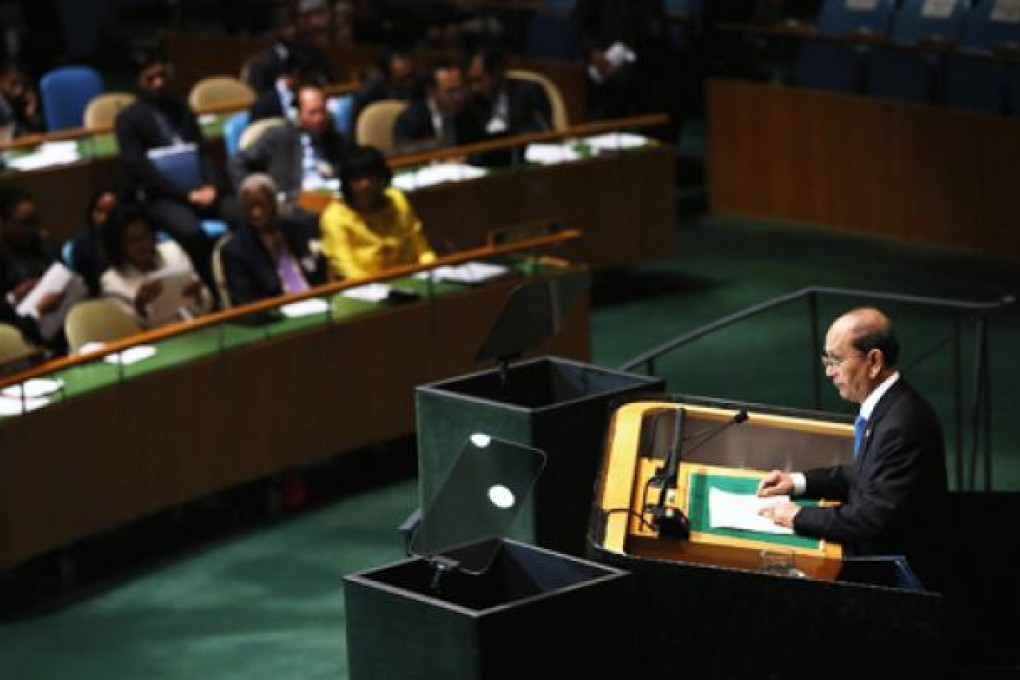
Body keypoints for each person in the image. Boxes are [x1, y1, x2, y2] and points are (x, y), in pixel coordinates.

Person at [756, 307, 949, 591]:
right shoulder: (889, 406)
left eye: (836, 360)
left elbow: (871, 517)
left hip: (900, 577)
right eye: (826, 360)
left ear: (873, 361)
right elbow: (863, 475)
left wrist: (797, 516)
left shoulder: (903, 423)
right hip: (880, 554)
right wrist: (796, 482)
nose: (829, 372)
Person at [114, 48, 237, 297]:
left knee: (242, 212)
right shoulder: (127, 120)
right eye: (151, 79)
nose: (159, 83)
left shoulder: (181, 108)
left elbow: (204, 152)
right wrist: (186, 195)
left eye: (162, 75)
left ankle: (244, 279)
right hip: (163, 197)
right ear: (138, 82)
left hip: (202, 190)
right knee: (191, 232)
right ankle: (212, 292)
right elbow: (141, 169)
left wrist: (212, 186)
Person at [230, 81, 354, 235]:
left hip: (332, 199)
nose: (319, 118)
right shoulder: (278, 136)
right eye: (313, 113)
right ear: (299, 114)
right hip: (294, 203)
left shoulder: (336, 139)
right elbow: (238, 163)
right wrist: (253, 194)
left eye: (322, 112)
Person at [319, 144, 435, 280]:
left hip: (410, 278)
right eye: (357, 179)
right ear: (346, 183)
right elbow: (348, 269)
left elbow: (421, 249)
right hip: (365, 289)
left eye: (370, 177)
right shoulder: (334, 217)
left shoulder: (397, 200)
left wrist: (431, 270)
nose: (365, 184)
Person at [221, 173, 328, 307]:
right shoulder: (236, 250)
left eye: (261, 205)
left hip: (318, 302)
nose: (256, 213)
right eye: (250, 207)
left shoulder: (296, 230)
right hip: (279, 312)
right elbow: (245, 302)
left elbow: (318, 273)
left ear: (274, 203)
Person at [100, 205, 213, 330]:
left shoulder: (172, 252)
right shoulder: (112, 281)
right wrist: (140, 307)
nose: (143, 245)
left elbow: (206, 305)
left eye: (146, 236)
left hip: (194, 329)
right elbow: (127, 331)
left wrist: (198, 296)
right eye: (133, 240)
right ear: (118, 246)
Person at [0, 187, 70, 353]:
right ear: (2, 223)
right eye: (25, 223)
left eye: (35, 221)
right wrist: (13, 299)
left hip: (58, 332)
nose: (34, 229)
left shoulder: (45, 248)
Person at [392, 60, 482, 154]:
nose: (458, 97)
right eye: (451, 92)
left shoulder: (469, 113)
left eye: (460, 89)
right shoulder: (410, 119)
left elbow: (479, 148)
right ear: (431, 92)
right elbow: (403, 153)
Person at [465, 46, 553, 138]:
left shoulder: (528, 92)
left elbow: (544, 129)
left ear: (496, 72)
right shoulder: (473, 102)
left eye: (479, 80)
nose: (474, 88)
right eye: (471, 81)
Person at [64, 183, 124, 297]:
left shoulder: (130, 238)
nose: (104, 218)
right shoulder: (82, 245)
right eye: (99, 211)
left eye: (111, 212)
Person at [350, 47, 421, 131]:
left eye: (407, 60)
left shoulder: (414, 84)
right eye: (401, 59)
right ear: (388, 63)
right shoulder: (372, 89)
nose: (407, 64)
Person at [0, 61, 45, 139]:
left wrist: (31, 113)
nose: (19, 90)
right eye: (13, 84)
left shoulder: (21, 100)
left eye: (21, 84)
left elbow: (37, 134)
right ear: (1, 81)